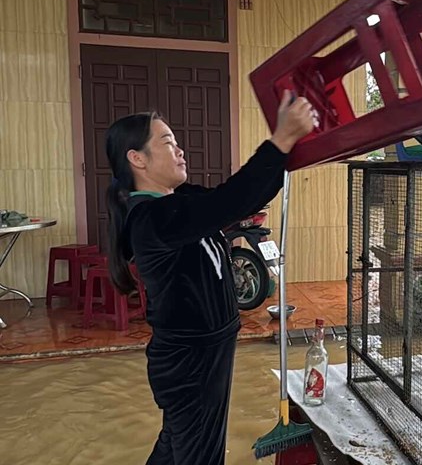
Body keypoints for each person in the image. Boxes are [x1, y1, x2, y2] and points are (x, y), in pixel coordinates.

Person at [104, 90, 315, 464]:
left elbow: (236, 199)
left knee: (179, 447)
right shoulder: (152, 219)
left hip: (203, 355)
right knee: (200, 455)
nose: (180, 150)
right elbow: (230, 201)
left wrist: (287, 151)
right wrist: (280, 141)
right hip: (190, 363)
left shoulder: (177, 201)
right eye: (168, 143)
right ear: (137, 159)